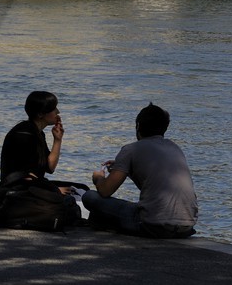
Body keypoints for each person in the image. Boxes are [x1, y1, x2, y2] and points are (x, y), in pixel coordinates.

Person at [83, 102, 198, 238]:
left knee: (89, 196)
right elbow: (153, 185)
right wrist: (128, 169)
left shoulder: (130, 150)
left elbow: (105, 191)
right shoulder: (174, 148)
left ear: (138, 126)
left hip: (152, 225)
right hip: (186, 226)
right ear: (164, 128)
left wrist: (99, 178)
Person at [0, 90, 66, 185]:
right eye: (53, 109)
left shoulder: (37, 133)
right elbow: (24, 175)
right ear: (40, 114)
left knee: (80, 188)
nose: (57, 112)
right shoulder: (24, 135)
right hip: (17, 188)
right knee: (69, 197)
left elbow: (50, 167)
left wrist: (57, 140)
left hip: (33, 185)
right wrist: (55, 190)